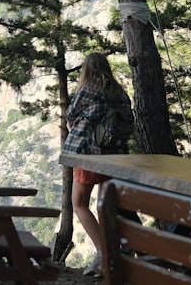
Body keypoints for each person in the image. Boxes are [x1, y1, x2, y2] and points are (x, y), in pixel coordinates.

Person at [61, 52, 134, 276]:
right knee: (106, 205)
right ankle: (115, 253)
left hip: (89, 153)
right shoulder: (120, 92)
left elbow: (70, 114)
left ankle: (104, 255)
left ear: (86, 69)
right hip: (116, 156)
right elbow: (129, 121)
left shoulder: (88, 88)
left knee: (79, 203)